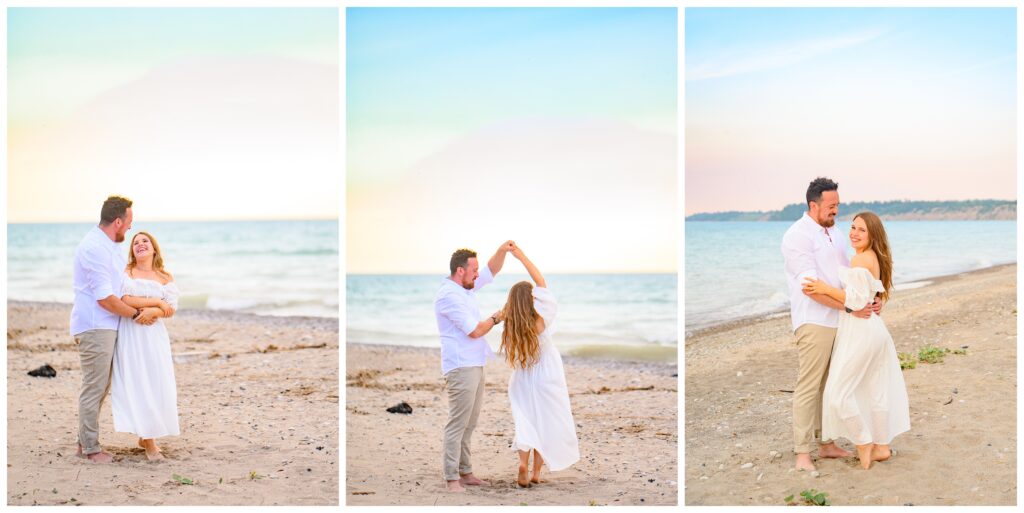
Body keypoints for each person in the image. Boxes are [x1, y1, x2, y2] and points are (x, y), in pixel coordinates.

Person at [780, 178, 881, 471]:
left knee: (831, 385)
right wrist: (851, 306)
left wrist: (873, 299)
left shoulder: (835, 233)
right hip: (814, 320)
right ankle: (802, 453)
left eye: (838, 205)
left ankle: (826, 444)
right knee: (809, 386)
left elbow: (852, 277)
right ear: (814, 205)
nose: (836, 210)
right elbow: (811, 287)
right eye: (831, 206)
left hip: (842, 320)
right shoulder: (796, 236)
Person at [802, 212, 911, 469]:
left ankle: (864, 442)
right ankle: (882, 446)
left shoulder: (861, 259)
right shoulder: (875, 257)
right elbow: (872, 296)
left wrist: (823, 288)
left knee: (837, 394)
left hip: (861, 331)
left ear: (873, 234)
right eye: (852, 227)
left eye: (861, 230)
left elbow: (855, 300)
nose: (854, 233)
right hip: (875, 330)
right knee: (876, 390)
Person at [71, 195, 158, 464]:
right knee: (95, 387)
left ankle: (82, 442)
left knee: (100, 385)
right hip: (96, 325)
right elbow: (105, 299)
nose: (131, 228)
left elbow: (120, 288)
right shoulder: (94, 248)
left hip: (107, 324)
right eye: (129, 222)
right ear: (118, 221)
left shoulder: (109, 245)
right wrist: (136, 315)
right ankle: (91, 449)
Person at [434, 242, 514, 493]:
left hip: (475, 362)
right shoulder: (449, 296)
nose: (478, 274)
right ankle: (451, 479)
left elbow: (491, 270)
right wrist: (496, 317)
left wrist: (503, 250)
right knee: (457, 423)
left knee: (470, 423)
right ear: (460, 271)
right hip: (460, 366)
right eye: (474, 270)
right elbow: (475, 330)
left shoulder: (465, 288)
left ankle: (466, 472)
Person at [499, 244, 579, 487]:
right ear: (533, 298)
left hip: (523, 375)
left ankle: (522, 463)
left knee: (526, 421)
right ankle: (535, 474)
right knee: (546, 420)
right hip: (548, 373)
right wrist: (520, 255)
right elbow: (541, 281)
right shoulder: (543, 316)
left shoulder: (511, 322)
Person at [110, 231, 181, 461]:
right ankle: (150, 442)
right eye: (136, 242)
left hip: (154, 336)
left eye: (145, 241)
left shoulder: (164, 276)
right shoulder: (126, 271)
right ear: (132, 250)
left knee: (156, 382)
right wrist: (156, 302)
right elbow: (124, 299)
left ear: (154, 248)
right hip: (131, 334)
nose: (140, 244)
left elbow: (171, 308)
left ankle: (146, 434)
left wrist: (155, 311)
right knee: (138, 382)